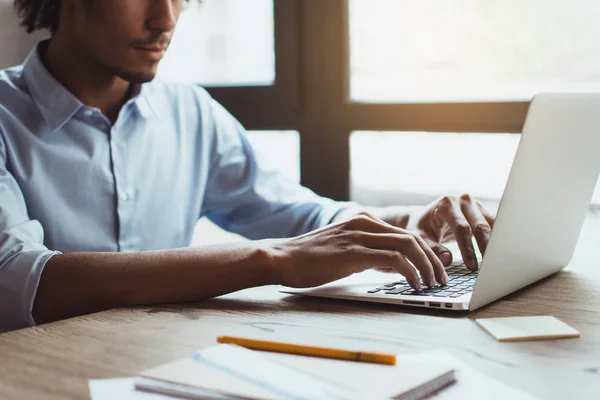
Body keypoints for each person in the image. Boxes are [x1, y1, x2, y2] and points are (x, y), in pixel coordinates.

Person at [0, 0, 494, 333]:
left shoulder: (189, 112)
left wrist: (409, 222)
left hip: (157, 361)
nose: (165, 19)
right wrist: (272, 259)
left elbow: (304, 219)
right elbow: (17, 278)